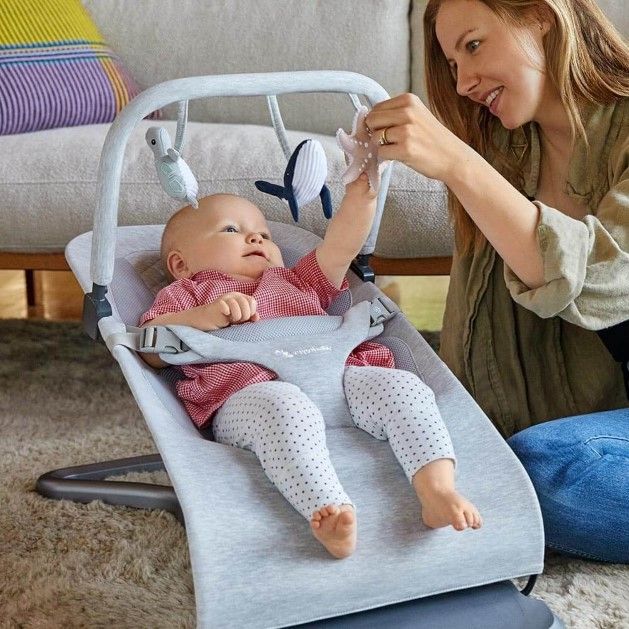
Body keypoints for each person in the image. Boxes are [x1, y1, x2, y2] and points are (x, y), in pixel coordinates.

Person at [364, 0, 628, 563]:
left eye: (474, 45)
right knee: (490, 464)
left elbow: (608, 279)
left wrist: (458, 163)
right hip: (605, 425)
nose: (463, 83)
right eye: (452, 64)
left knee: (544, 473)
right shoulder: (507, 150)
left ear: (541, 16)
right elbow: (475, 336)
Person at [139, 184, 482, 559]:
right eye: (231, 229)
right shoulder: (186, 295)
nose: (256, 237)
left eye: (264, 234)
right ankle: (328, 509)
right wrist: (203, 316)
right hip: (253, 396)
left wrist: (364, 192)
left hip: (341, 379)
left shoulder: (297, 280)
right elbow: (151, 346)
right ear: (181, 265)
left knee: (402, 387)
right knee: (282, 409)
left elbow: (341, 246)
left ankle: (437, 488)